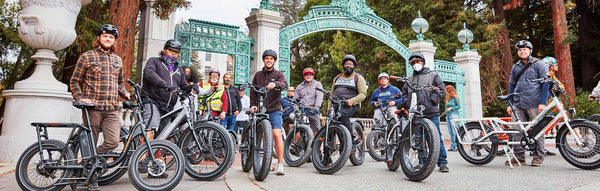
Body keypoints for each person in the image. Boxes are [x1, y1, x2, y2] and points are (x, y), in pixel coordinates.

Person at [69, 24, 130, 190]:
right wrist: (81, 98)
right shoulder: (87, 57)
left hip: (112, 108)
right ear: (99, 38)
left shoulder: (117, 60)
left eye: (111, 37)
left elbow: (119, 83)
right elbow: (74, 81)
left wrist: (126, 94)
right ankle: (91, 177)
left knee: (113, 141)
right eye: (105, 36)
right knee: (90, 141)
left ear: (114, 41)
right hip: (93, 108)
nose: (108, 39)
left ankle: (87, 161)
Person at [141, 39, 200, 140]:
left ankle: (155, 156)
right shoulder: (154, 61)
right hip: (153, 101)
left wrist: (192, 87)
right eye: (171, 50)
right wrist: (165, 85)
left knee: (162, 136)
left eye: (176, 52)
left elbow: (182, 86)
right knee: (151, 128)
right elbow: (149, 74)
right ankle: (141, 156)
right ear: (164, 50)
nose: (173, 53)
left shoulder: (179, 69)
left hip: (168, 107)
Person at [505, 40, 550, 166]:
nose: (522, 51)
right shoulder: (516, 67)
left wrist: (543, 102)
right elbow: (512, 86)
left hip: (535, 102)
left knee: (538, 130)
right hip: (518, 103)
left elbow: (545, 84)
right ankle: (519, 157)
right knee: (516, 130)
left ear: (530, 50)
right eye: (520, 50)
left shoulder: (539, 64)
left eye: (525, 49)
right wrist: (509, 104)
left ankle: (538, 156)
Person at [402, 52, 448, 172]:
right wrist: (407, 103)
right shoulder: (409, 79)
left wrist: (433, 100)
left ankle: (442, 162)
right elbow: (404, 94)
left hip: (431, 112)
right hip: (416, 113)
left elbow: (441, 91)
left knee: (436, 137)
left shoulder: (433, 75)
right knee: (419, 138)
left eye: (418, 62)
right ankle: (422, 161)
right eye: (413, 63)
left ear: (422, 62)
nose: (416, 64)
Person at [249, 49, 288, 175]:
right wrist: (253, 105)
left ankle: (280, 164)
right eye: (267, 58)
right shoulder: (258, 75)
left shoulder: (278, 74)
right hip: (261, 110)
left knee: (276, 134)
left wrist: (275, 84)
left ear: (274, 61)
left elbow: (285, 85)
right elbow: (253, 91)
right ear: (264, 60)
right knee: (265, 136)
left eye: (271, 58)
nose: (269, 60)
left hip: (274, 109)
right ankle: (268, 163)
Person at [329, 55, 367, 150]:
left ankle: (351, 141)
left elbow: (363, 94)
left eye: (350, 64)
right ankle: (327, 156)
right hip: (336, 105)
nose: (348, 66)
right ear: (343, 65)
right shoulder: (337, 78)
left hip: (351, 105)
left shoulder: (358, 78)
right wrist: (329, 108)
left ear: (354, 66)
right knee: (329, 124)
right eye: (346, 64)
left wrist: (352, 101)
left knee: (342, 114)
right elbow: (331, 93)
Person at [291, 67, 324, 134]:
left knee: (317, 130)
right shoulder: (299, 87)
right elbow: (295, 100)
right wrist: (297, 110)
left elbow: (319, 96)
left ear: (313, 75)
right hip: (302, 109)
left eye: (310, 74)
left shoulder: (317, 84)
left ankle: (318, 144)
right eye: (306, 74)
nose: (308, 76)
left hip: (313, 109)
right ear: (304, 76)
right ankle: (296, 143)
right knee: (297, 127)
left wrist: (317, 107)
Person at [444, 85, 460, 152]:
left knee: (454, 131)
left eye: (446, 90)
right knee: (450, 132)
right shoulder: (448, 99)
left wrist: (452, 108)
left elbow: (459, 106)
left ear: (449, 90)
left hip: (453, 115)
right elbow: (446, 108)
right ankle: (452, 146)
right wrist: (446, 114)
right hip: (448, 116)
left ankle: (456, 146)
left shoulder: (455, 98)